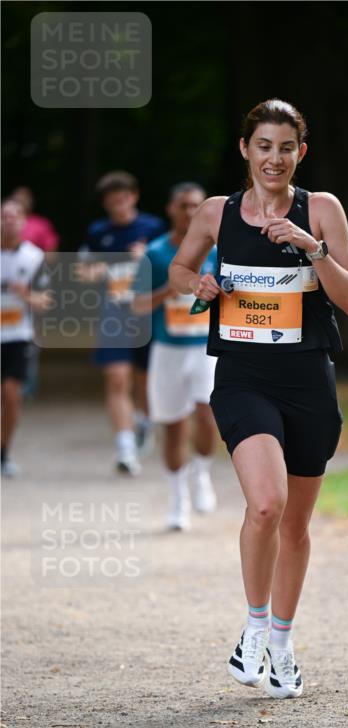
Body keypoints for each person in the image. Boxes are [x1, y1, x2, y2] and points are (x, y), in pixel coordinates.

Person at [170, 98, 348, 699]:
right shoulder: (215, 213)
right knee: (266, 505)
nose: (274, 158)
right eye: (263, 146)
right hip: (243, 375)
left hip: (307, 380)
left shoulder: (322, 210)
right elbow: (179, 271)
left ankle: (282, 642)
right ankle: (252, 630)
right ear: (245, 150)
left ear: (299, 153)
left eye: (286, 147)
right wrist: (197, 283)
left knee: (296, 527)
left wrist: (313, 247)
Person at [131, 183, 219, 530]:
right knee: (172, 427)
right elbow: (135, 306)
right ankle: (177, 497)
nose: (189, 212)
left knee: (207, 413)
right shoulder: (154, 253)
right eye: (183, 206)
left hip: (205, 348)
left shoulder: (217, 249)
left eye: (196, 205)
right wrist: (169, 290)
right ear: (171, 209)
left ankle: (202, 473)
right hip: (167, 350)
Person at [82, 171, 165, 475]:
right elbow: (85, 274)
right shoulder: (97, 232)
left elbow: (167, 267)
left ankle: (144, 422)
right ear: (105, 203)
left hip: (147, 313)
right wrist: (110, 265)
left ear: (134, 196)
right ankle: (125, 448)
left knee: (145, 380)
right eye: (113, 200)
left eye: (124, 197)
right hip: (114, 315)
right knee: (117, 379)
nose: (120, 204)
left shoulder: (153, 227)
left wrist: (144, 258)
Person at [1, 200, 52, 476]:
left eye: (14, 217)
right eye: (4, 216)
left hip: (17, 336)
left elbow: (45, 301)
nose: (8, 221)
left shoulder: (34, 257)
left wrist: (25, 295)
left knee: (10, 396)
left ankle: (4, 453)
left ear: (23, 222)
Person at [10, 186, 60, 253]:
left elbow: (51, 251)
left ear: (31, 202)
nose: (21, 202)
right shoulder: (6, 222)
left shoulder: (41, 224)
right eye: (17, 199)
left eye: (24, 199)